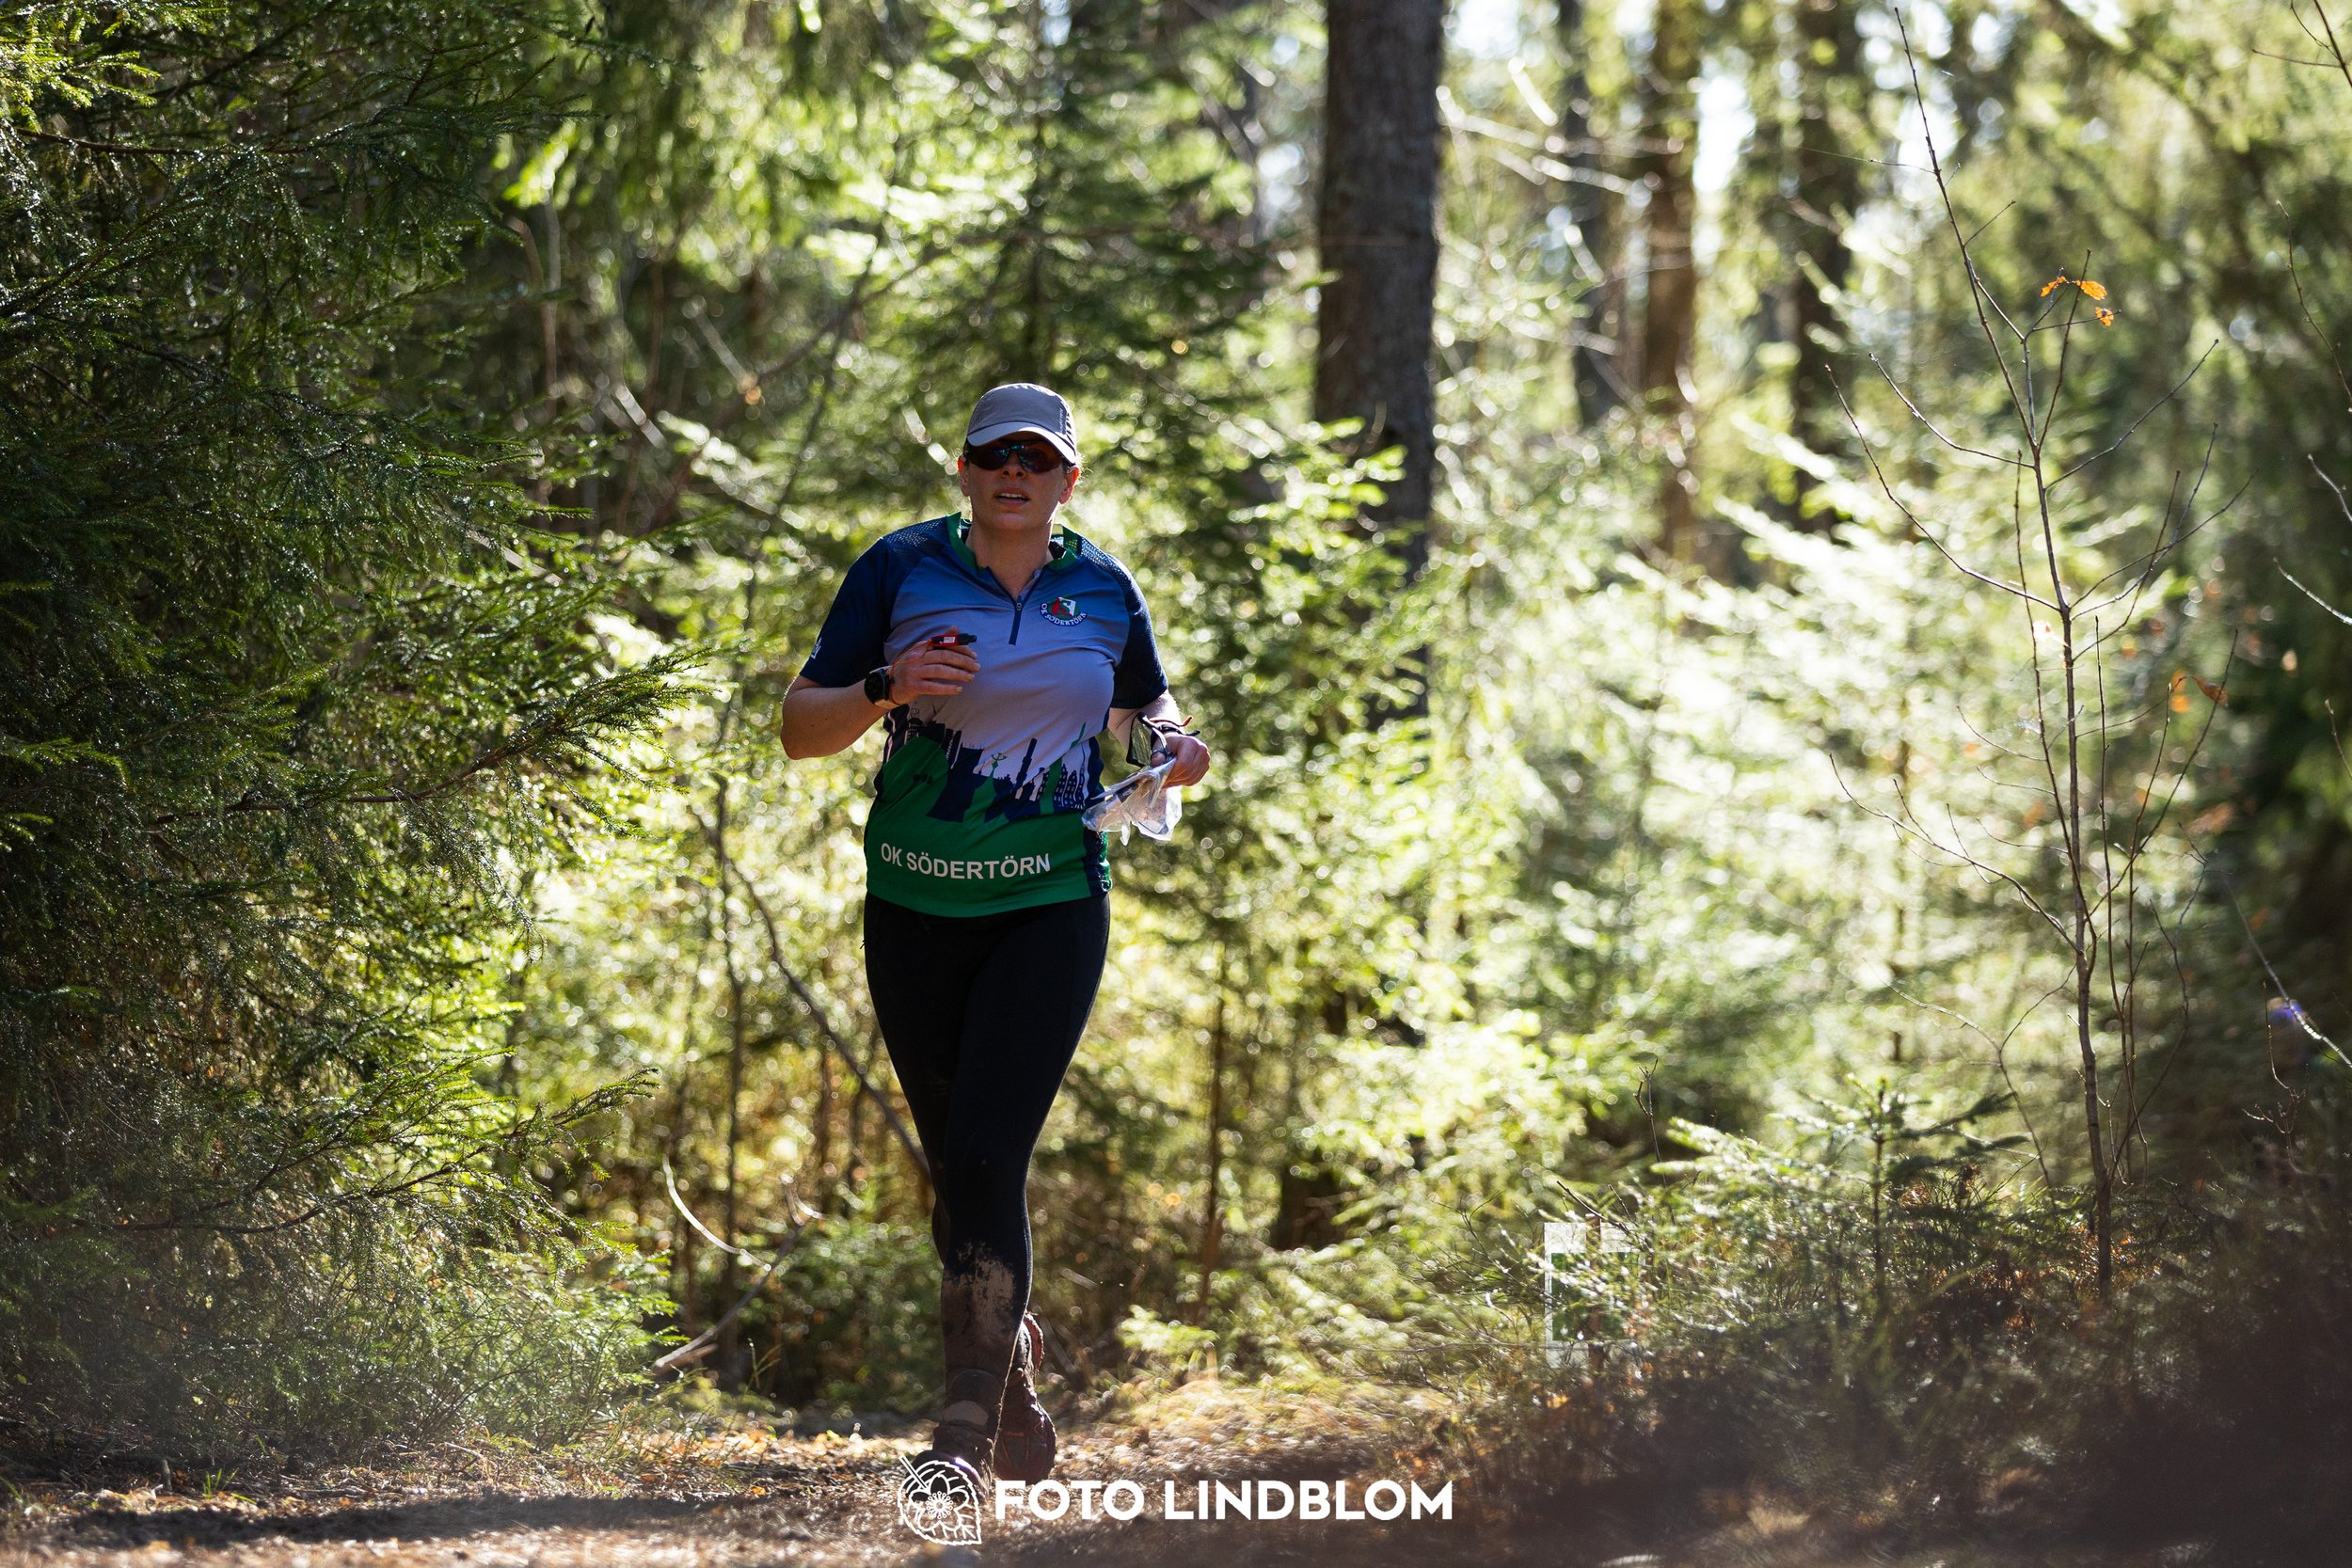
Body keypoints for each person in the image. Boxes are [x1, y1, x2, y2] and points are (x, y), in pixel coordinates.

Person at [779, 384, 1212, 1486]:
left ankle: (960, 1430)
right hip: (915, 905)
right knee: (956, 1169)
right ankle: (1006, 1370)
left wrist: (1171, 744)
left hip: (1050, 903)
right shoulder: (898, 568)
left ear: (1069, 478)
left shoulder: (1103, 584)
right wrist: (888, 683)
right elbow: (798, 728)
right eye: (994, 456)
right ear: (965, 473)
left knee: (987, 1152)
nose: (1015, 473)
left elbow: (1141, 704)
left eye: (1038, 458)